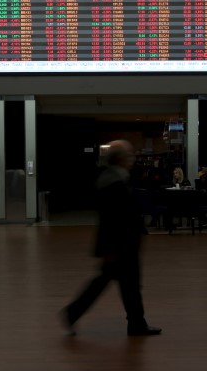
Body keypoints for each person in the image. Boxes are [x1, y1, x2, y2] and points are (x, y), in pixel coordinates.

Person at [61, 139, 161, 337]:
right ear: (122, 159)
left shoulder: (113, 178)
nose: (133, 159)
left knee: (120, 284)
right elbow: (113, 219)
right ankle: (134, 324)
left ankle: (135, 323)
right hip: (121, 245)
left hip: (119, 244)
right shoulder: (114, 183)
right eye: (130, 155)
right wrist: (111, 248)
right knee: (123, 284)